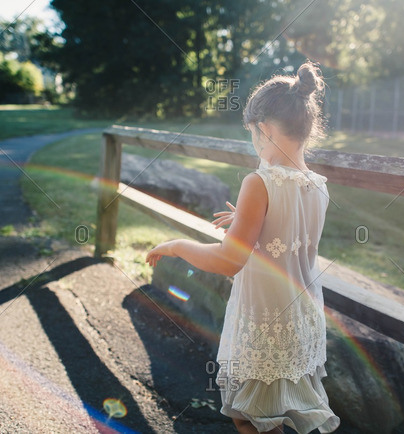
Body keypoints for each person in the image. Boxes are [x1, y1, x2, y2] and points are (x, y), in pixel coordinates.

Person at [146, 61, 340, 434]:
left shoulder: (259, 182)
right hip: (302, 315)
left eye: (253, 134)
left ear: (264, 129)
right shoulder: (317, 183)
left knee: (249, 415)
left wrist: (177, 245)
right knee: (271, 413)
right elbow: (285, 233)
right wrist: (246, 221)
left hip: (266, 318)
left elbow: (228, 260)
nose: (254, 143)